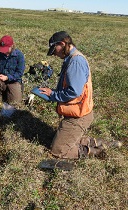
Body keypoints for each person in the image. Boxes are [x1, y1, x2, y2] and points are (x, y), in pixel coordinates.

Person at [39, 31, 121, 159]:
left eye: (55, 49)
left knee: (58, 150)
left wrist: (54, 95)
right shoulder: (71, 59)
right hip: (76, 112)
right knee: (62, 140)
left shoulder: (75, 62)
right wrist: (52, 92)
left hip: (78, 116)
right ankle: (99, 143)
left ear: (62, 43)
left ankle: (96, 152)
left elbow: (74, 91)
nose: (54, 54)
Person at [0, 35, 25, 107]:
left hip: (14, 81)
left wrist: (8, 77)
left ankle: (11, 91)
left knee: (15, 102)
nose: (3, 51)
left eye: (5, 49)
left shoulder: (19, 55)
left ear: (12, 46)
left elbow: (19, 73)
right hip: (0, 79)